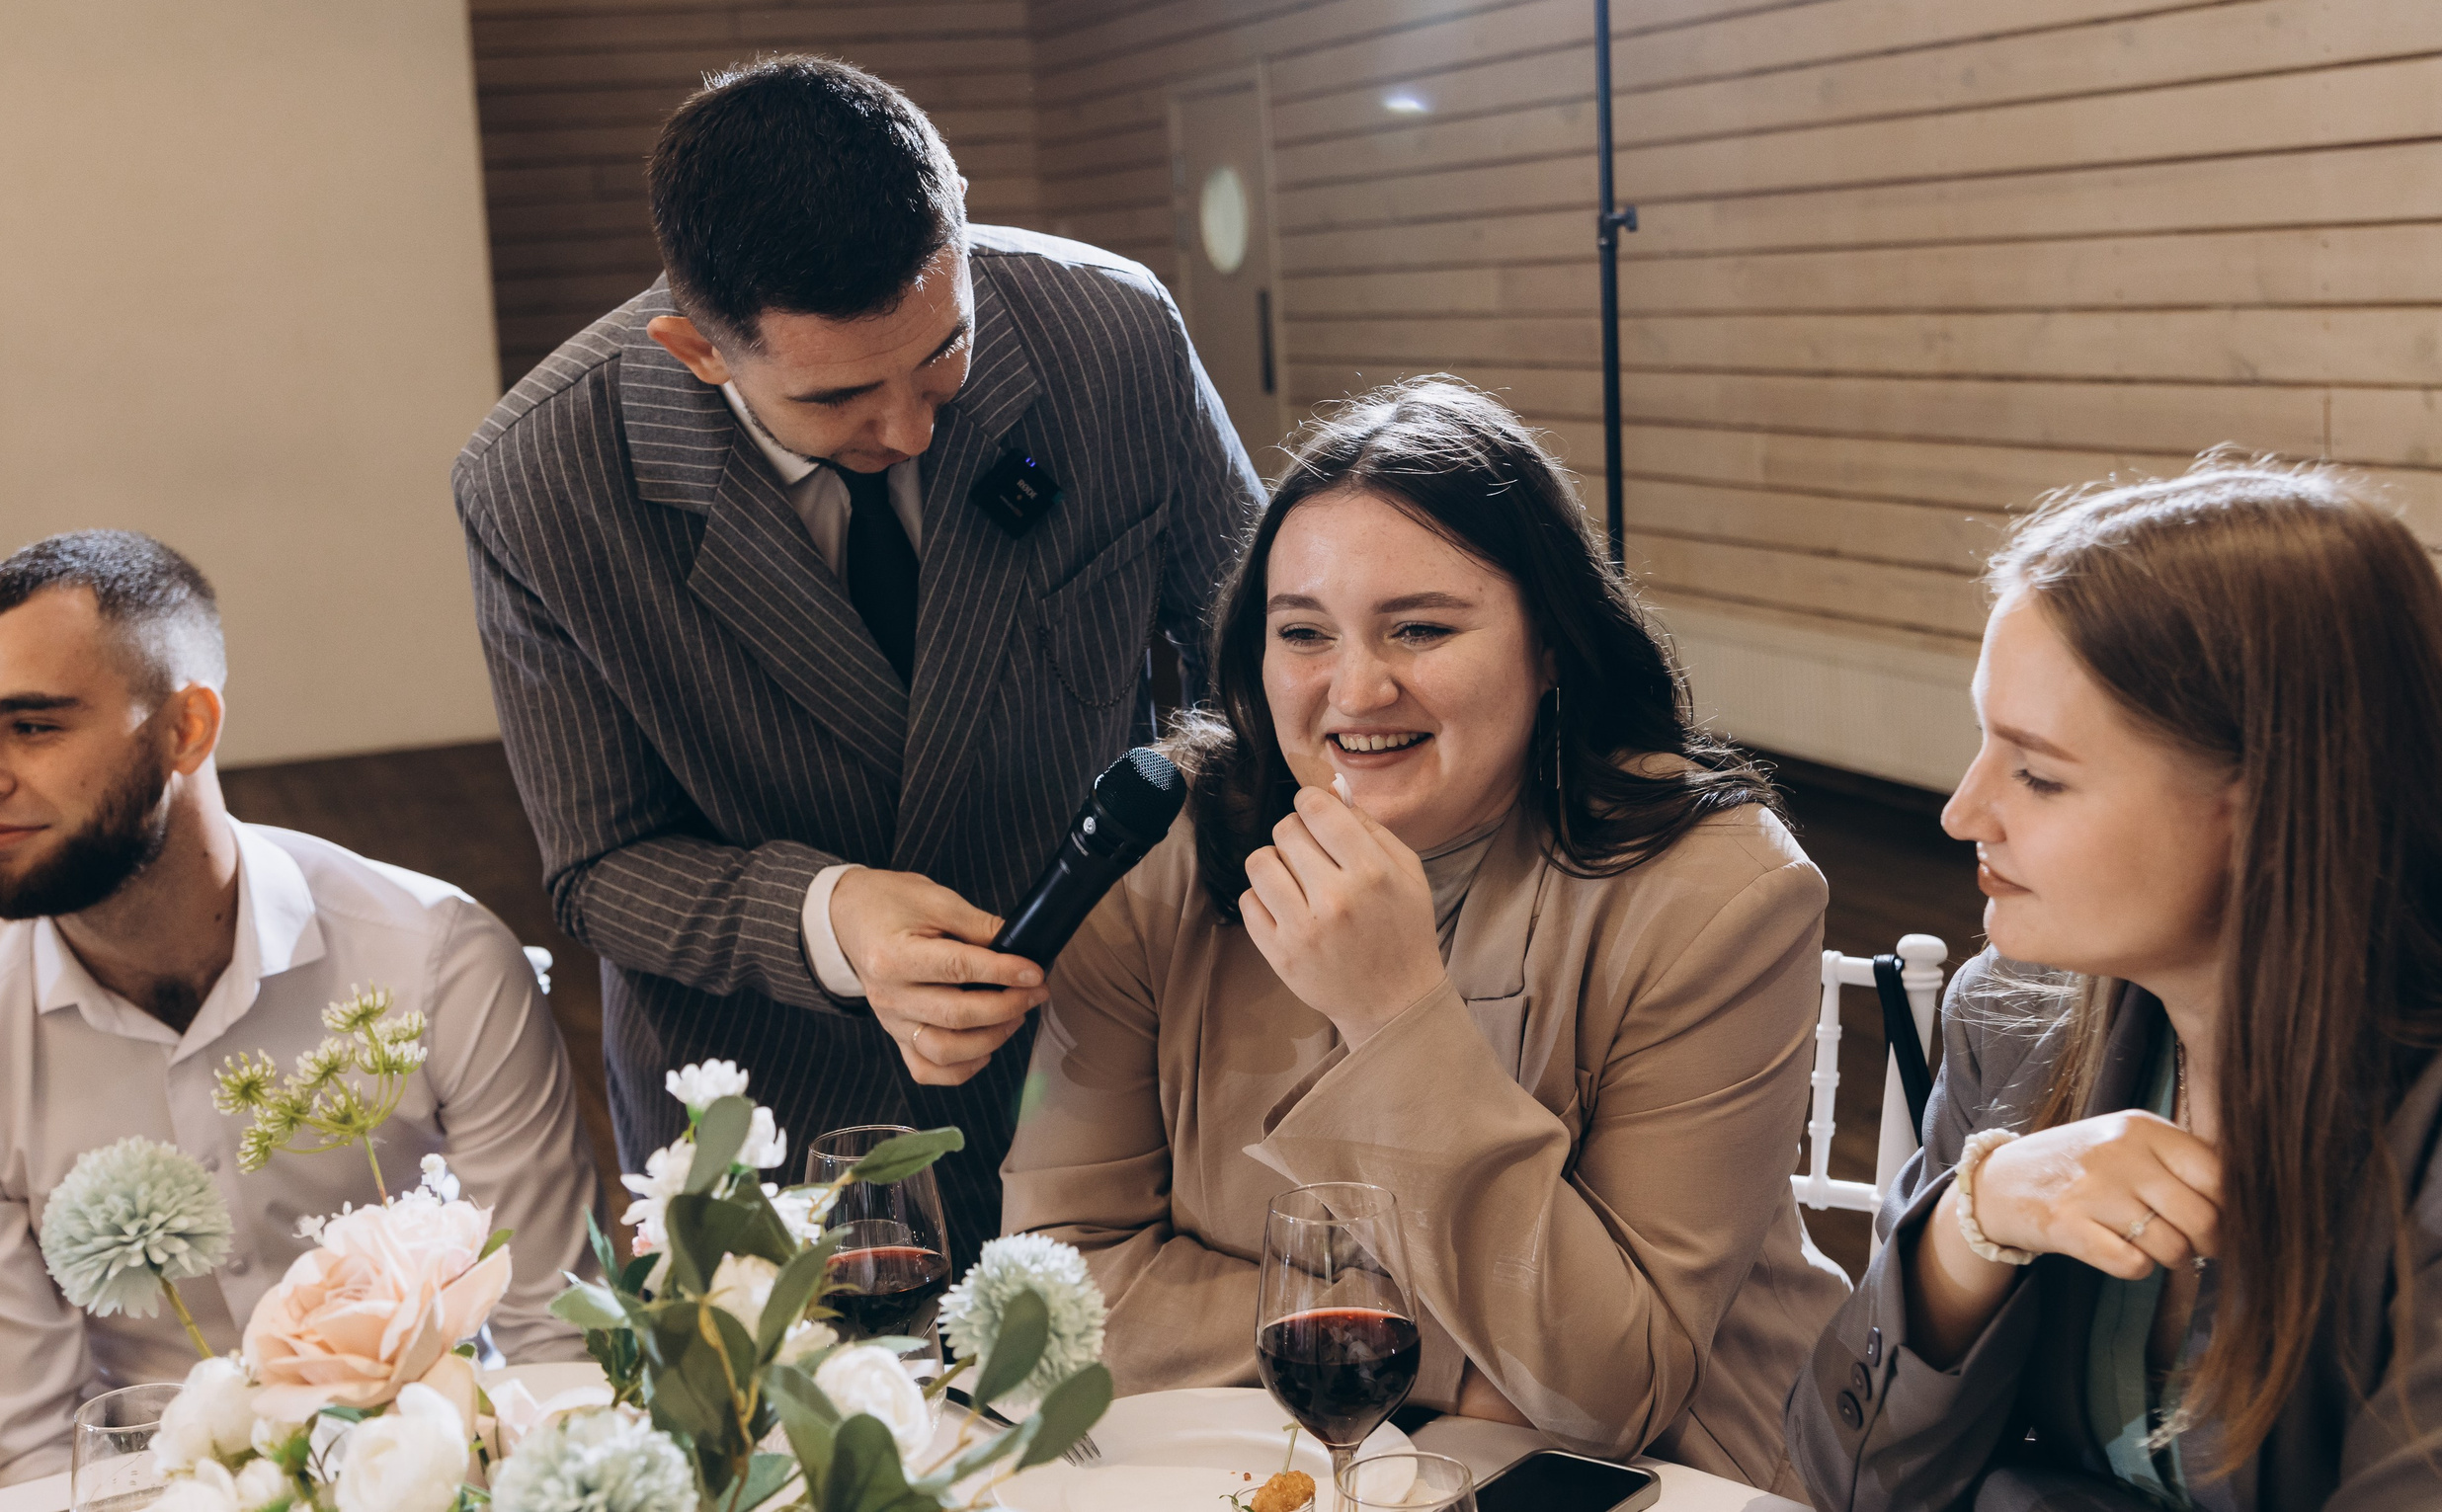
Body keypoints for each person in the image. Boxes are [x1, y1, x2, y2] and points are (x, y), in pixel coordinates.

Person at [454, 55, 1260, 1255]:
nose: (910, 426)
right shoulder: (540, 477)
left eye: (944, 355)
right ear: (697, 349)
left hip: (1117, 1059)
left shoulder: (1116, 334)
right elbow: (601, 865)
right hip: (777, 1119)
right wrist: (831, 918)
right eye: (838, 400)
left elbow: (1257, 655)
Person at [1001, 379, 1849, 1494]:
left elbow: (1609, 1388)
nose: (1355, 688)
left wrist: (1394, 1012)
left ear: (1551, 645)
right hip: (1244, 1468)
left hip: (1649, 1481)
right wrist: (1445, 1358)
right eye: (1302, 632)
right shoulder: (1162, 855)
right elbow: (1047, 1298)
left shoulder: (1719, 892)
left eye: (1421, 628)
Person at [1786, 460, 2442, 1509]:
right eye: (1982, 744)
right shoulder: (2013, 1016)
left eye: (2037, 773)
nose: (1961, 812)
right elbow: (1846, 1481)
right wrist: (1977, 1216)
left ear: (2275, 798)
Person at [0, 532, 600, 1490]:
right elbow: (31, 1460)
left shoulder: (438, 960)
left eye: (31, 726)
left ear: (187, 728)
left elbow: (548, 1343)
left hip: (437, 1475)